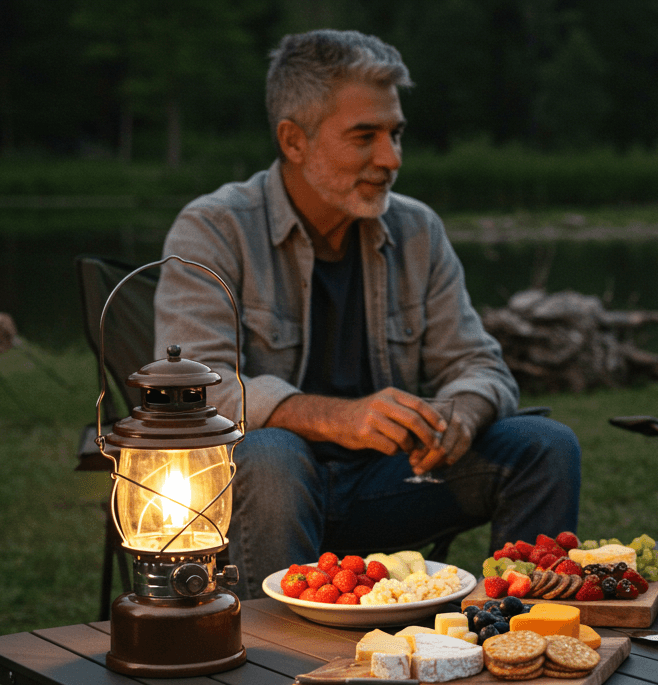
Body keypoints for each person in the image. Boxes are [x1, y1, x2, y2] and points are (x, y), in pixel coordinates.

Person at [154, 29, 581, 600]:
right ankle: (280, 668)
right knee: (274, 453)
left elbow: (480, 364)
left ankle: (520, 636)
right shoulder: (214, 228)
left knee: (546, 445)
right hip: (260, 494)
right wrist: (337, 418)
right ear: (294, 140)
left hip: (391, 484)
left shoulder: (416, 229)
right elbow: (192, 392)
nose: (391, 158)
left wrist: (462, 414)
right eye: (365, 137)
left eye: (396, 133)